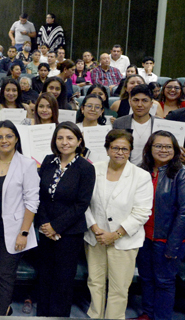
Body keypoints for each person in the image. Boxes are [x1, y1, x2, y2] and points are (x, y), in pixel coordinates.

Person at [84, 129, 152, 319]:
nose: (120, 152)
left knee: (119, 287)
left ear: (130, 151)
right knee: (95, 281)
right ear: (107, 149)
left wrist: (114, 235)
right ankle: (96, 315)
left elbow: (142, 212)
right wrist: (95, 228)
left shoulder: (141, 176)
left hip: (124, 241)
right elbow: (84, 203)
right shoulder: (93, 169)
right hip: (95, 237)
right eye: (115, 148)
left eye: (125, 149)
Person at [0, 120, 39, 316]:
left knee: (5, 274)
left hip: (13, 230)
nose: (4, 140)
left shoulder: (27, 164)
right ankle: (6, 308)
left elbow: (32, 202)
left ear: (16, 139)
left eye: (8, 136)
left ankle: (1, 313)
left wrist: (24, 232)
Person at [35, 122, 95, 317]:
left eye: (70, 138)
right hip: (45, 230)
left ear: (79, 141)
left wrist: (56, 226)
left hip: (69, 233)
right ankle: (43, 314)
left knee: (63, 280)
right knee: (44, 276)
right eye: (60, 138)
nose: (64, 142)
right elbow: (39, 195)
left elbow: (81, 204)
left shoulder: (85, 168)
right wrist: (46, 225)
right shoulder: (47, 161)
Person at [137, 131, 185, 320]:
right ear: (150, 148)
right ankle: (147, 314)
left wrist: (173, 244)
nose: (163, 150)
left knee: (164, 282)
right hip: (142, 237)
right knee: (146, 279)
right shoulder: (141, 171)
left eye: (168, 147)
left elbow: (184, 212)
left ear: (175, 150)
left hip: (167, 239)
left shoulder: (181, 174)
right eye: (158, 146)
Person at [112, 84, 155, 166]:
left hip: (153, 170)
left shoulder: (159, 124)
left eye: (144, 101)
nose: (139, 104)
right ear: (130, 102)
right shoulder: (119, 123)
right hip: (125, 168)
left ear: (151, 104)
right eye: (136, 100)